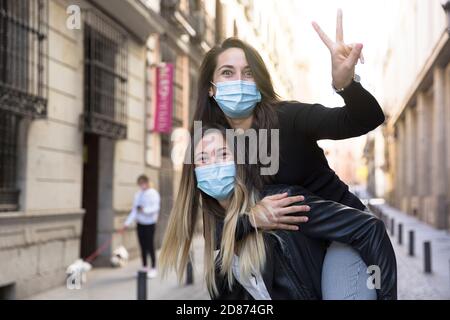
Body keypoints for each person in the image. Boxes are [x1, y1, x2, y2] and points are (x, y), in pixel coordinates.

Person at [190, 9, 387, 298]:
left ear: (259, 81)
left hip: (341, 235)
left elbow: (365, 119)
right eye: (227, 73)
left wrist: (346, 85)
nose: (239, 82)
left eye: (248, 73)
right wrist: (251, 219)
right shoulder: (212, 144)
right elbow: (214, 224)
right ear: (211, 88)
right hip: (286, 250)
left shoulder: (288, 117)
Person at [159, 125, 397, 300]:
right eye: (203, 158)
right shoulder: (220, 241)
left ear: (239, 163)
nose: (214, 165)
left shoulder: (281, 201)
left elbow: (370, 228)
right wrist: (249, 222)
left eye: (223, 154)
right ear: (194, 173)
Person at [124, 174, 160, 278]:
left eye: (143, 183)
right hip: (140, 223)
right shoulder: (138, 194)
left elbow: (155, 208)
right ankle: (144, 266)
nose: (142, 185)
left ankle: (153, 267)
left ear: (147, 183)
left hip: (150, 223)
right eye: (140, 184)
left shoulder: (153, 193)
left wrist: (145, 210)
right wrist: (127, 223)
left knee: (150, 245)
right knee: (142, 245)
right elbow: (134, 211)